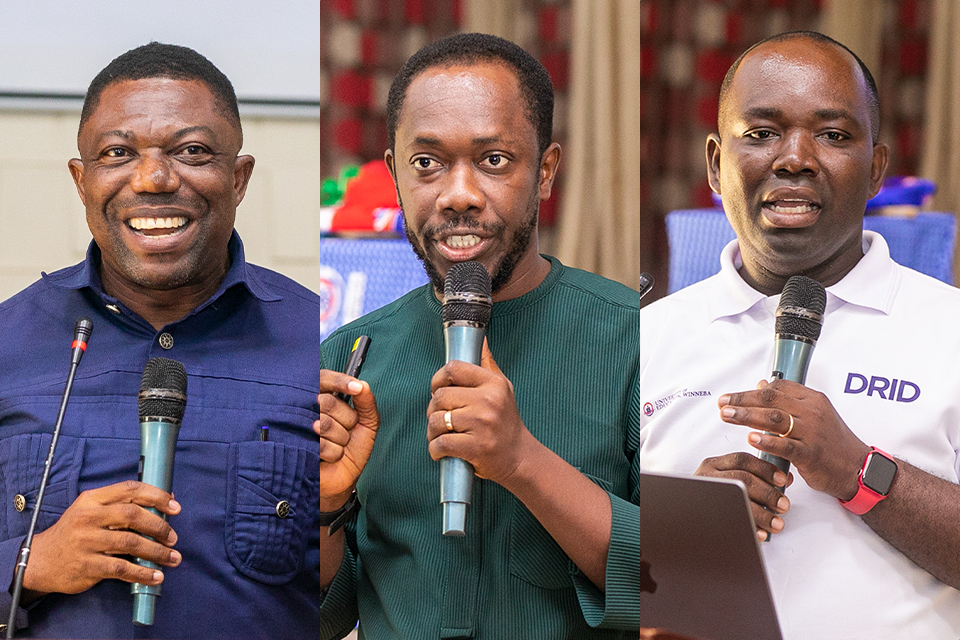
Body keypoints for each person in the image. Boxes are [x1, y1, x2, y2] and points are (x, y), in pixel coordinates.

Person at [311, 33, 663, 639]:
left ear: (546, 172)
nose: (458, 195)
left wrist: (520, 459)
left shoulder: (639, 338)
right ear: (395, 174)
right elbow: (322, 616)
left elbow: (673, 582)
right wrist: (322, 511)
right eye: (427, 164)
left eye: (494, 160)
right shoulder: (350, 358)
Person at [0, 43, 356, 639]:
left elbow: (346, 605)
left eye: (191, 151)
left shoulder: (320, 342)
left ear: (239, 179)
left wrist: (332, 509)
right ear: (81, 180)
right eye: (118, 153)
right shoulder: (9, 341)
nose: (154, 179)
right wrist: (29, 563)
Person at [637, 31, 960, 639]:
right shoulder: (639, 342)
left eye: (833, 135)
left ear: (876, 171)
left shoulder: (952, 331)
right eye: (760, 134)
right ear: (714, 164)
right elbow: (590, 584)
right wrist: (682, 542)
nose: (795, 159)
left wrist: (858, 471)